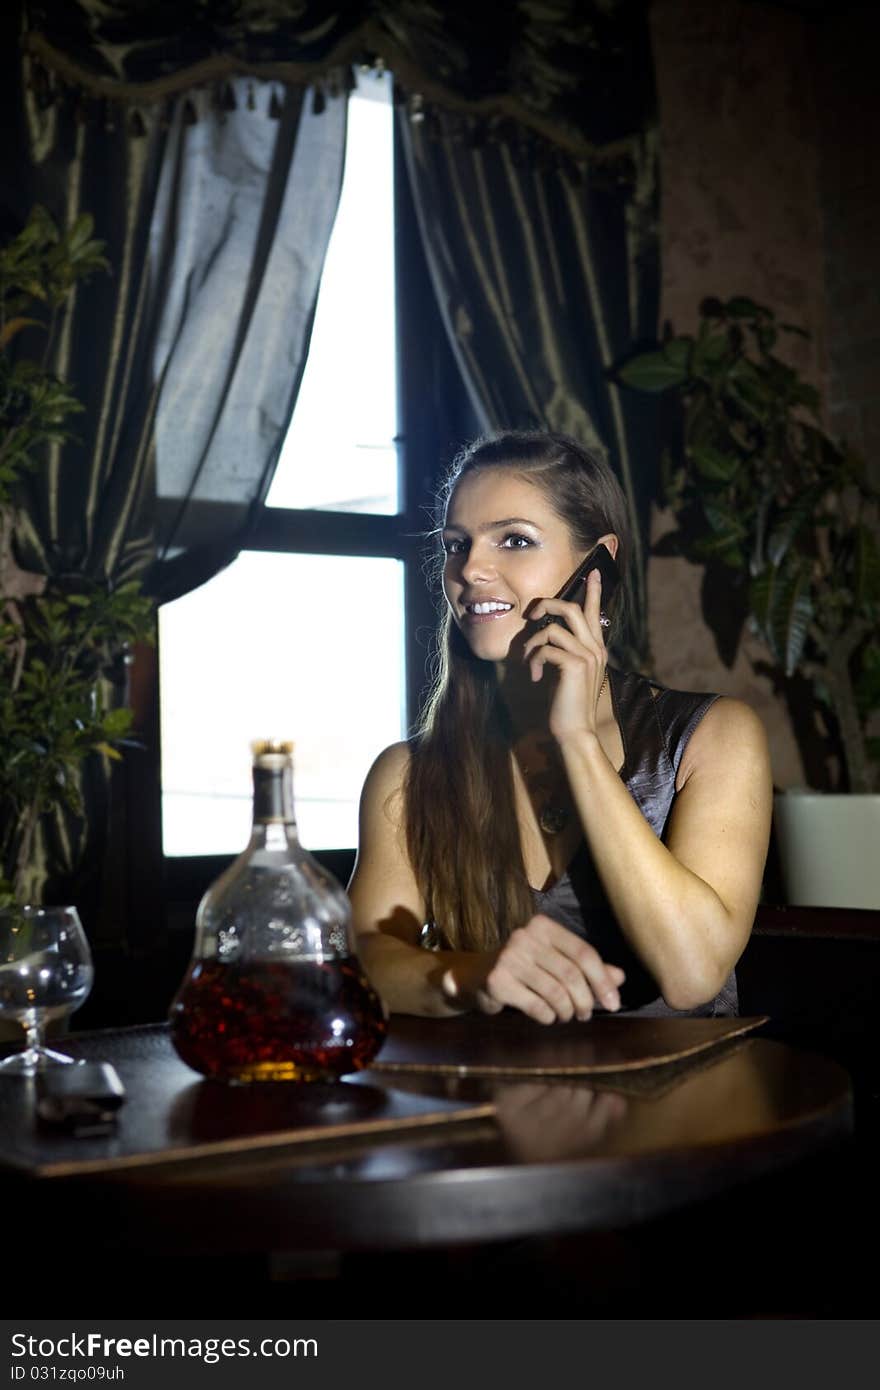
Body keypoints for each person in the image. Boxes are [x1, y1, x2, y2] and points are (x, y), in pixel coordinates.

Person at [348, 431, 773, 1022]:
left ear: (597, 563)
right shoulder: (409, 772)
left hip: (684, 1104)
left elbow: (692, 973)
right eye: (455, 545)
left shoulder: (714, 735)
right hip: (498, 1103)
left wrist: (576, 740)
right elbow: (361, 962)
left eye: (514, 540)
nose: (471, 568)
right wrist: (472, 975)